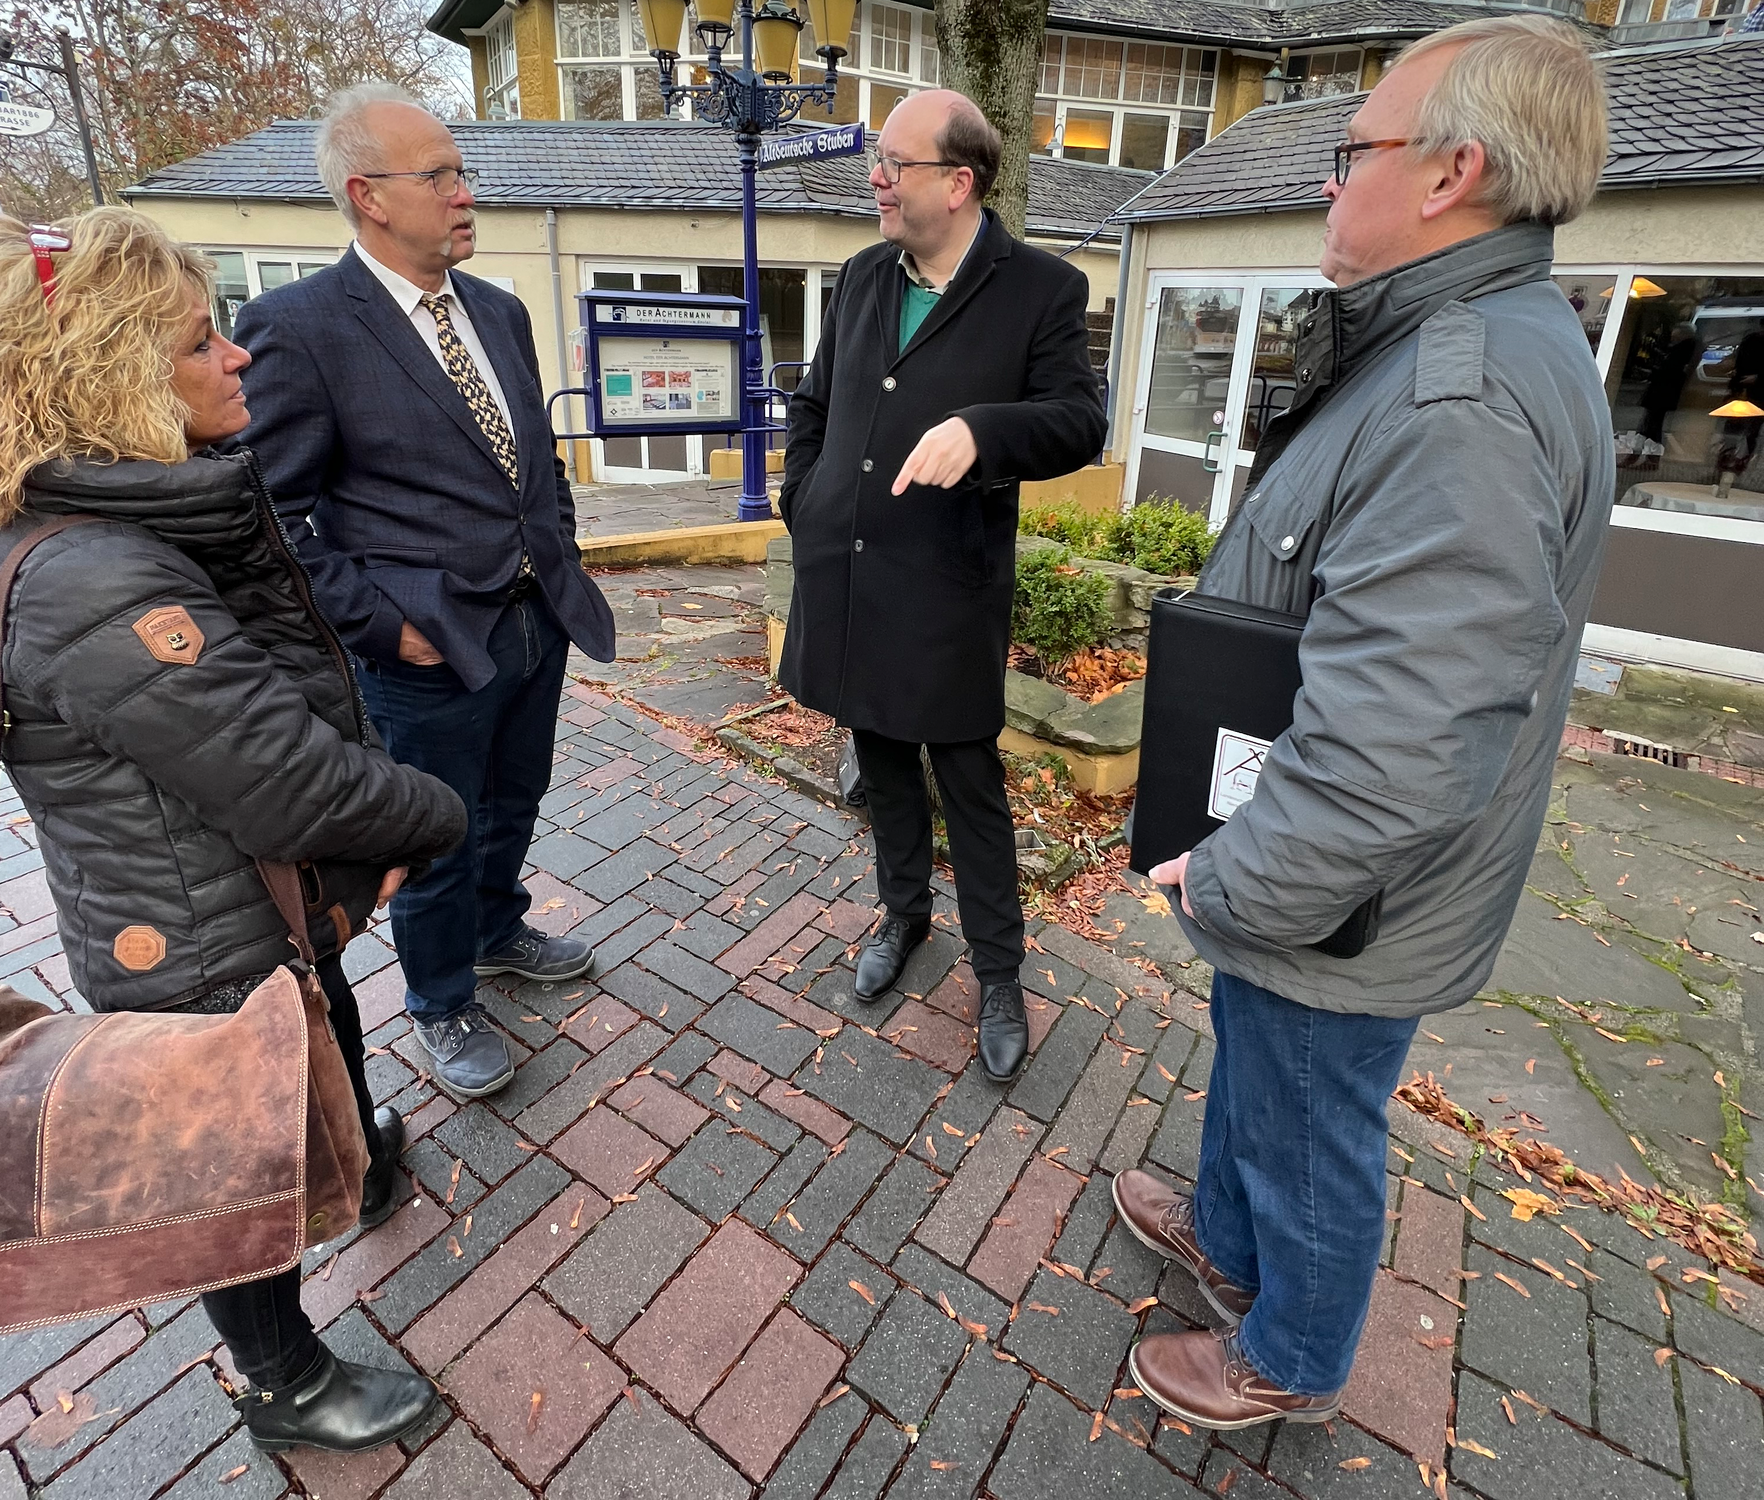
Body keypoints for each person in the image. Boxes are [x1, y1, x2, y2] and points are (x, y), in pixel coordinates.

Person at [1112, 16, 1614, 1428]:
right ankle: (1226, 1241)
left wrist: (1237, 878)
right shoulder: (1459, 343)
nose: (1329, 183)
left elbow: (1403, 738)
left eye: (1351, 154)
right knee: (1264, 1076)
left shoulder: (1465, 391)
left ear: (1453, 171)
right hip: (1326, 872)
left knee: (1311, 1118)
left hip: (1346, 891)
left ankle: (1291, 1358)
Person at [0, 207, 468, 1452]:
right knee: (227, 1150)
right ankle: (283, 1382)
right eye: (203, 342)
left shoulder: (141, 518)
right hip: (192, 929)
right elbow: (284, 782)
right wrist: (434, 813)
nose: (239, 356)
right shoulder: (93, 577)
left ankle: (355, 1162)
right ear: (114, 378)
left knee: (327, 1022)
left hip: (249, 899)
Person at [231, 83, 616, 1101]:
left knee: (516, 798)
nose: (462, 192)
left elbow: (533, 458)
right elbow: (273, 513)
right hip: (425, 644)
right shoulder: (300, 326)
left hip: (536, 620)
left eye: (460, 171)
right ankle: (441, 1003)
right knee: (433, 829)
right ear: (368, 196)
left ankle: (495, 932)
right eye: (439, 174)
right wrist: (383, 628)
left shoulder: (498, 310)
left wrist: (560, 554)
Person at [779, 90, 1106, 1084]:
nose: (874, 178)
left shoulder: (1042, 287)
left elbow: (1078, 422)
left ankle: (999, 974)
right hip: (849, 573)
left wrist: (985, 430)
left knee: (970, 787)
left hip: (947, 585)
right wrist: (807, 497)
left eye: (894, 163)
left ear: (958, 183)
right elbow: (818, 397)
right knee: (879, 759)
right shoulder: (865, 275)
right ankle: (904, 916)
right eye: (876, 161)